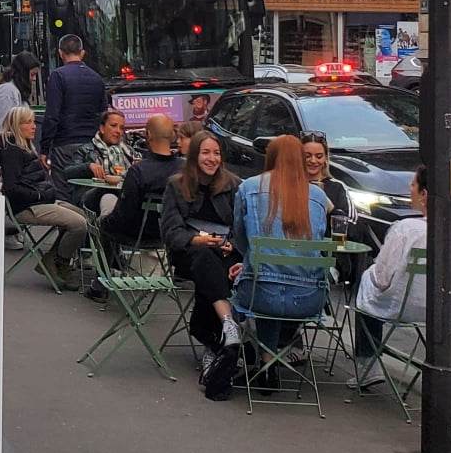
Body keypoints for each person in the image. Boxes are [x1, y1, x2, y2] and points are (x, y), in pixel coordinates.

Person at [230, 134, 331, 371]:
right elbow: (318, 241)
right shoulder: (318, 196)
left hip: (260, 293)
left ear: (270, 157)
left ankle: (248, 353)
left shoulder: (249, 187)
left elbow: (240, 238)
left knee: (252, 285)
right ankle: (269, 361)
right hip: (308, 298)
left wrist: (251, 259)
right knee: (274, 284)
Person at [160, 129, 241, 401]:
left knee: (216, 266)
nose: (212, 158)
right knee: (205, 258)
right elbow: (170, 232)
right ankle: (227, 325)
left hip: (224, 254)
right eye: (206, 152)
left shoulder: (233, 185)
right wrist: (197, 239)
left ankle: (215, 345)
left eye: (216, 153)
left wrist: (233, 244)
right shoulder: (176, 185)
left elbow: (242, 228)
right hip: (189, 253)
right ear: (194, 155)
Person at [0, 105, 90, 285]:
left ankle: (52, 259)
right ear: (16, 125)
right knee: (79, 224)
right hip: (27, 206)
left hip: (38, 201)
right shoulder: (13, 151)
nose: (34, 126)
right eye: (28, 122)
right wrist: (39, 195)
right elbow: (11, 188)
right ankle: (60, 262)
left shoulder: (23, 147)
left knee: (83, 216)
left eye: (33, 121)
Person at [355, 162, 428, 363]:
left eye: (413, 184)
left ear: (424, 194)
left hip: (401, 305)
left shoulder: (406, 229)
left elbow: (382, 278)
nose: (409, 189)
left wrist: (369, 273)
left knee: (365, 281)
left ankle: (368, 362)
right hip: (437, 309)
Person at [98, 113, 176, 248]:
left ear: (148, 135)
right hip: (175, 234)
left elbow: (123, 215)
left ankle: (111, 262)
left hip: (138, 235)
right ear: (172, 136)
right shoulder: (186, 168)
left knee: (105, 215)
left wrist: (103, 222)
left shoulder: (138, 171)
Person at [38, 33, 108, 180]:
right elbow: (103, 114)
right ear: (82, 53)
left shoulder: (58, 76)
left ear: (60, 53)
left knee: (63, 185)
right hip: (91, 145)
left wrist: (44, 148)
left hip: (64, 144)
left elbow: (52, 116)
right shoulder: (97, 78)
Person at [86, 107, 136, 187]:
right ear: (102, 128)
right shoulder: (87, 150)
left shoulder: (130, 152)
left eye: (121, 128)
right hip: (96, 191)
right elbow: (68, 172)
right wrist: (88, 166)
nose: (118, 131)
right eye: (113, 126)